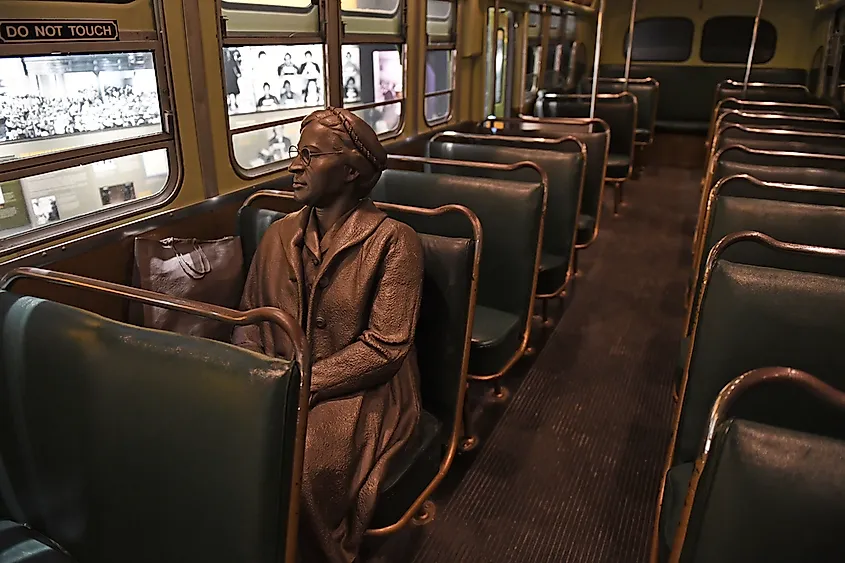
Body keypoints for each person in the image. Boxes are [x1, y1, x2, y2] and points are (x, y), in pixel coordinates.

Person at [231, 107, 424, 563]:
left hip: (363, 389)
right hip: (279, 379)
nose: (294, 166)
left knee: (300, 471)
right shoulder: (277, 235)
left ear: (351, 170)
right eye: (296, 154)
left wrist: (301, 385)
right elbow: (251, 319)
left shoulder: (396, 241)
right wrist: (250, 380)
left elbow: (385, 348)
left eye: (310, 156)